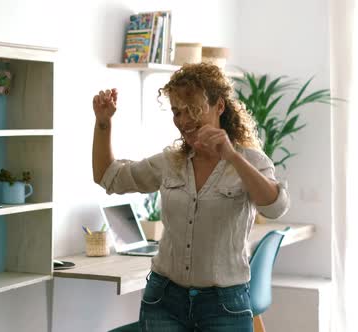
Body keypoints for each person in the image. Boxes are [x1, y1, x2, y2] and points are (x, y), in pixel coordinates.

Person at [92, 63, 290, 332]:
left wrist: (231, 156)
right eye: (177, 111)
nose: (184, 120)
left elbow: (276, 206)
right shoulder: (170, 162)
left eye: (193, 109)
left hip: (225, 304)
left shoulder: (250, 161)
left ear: (219, 106)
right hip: (164, 299)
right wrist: (103, 123)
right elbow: (109, 177)